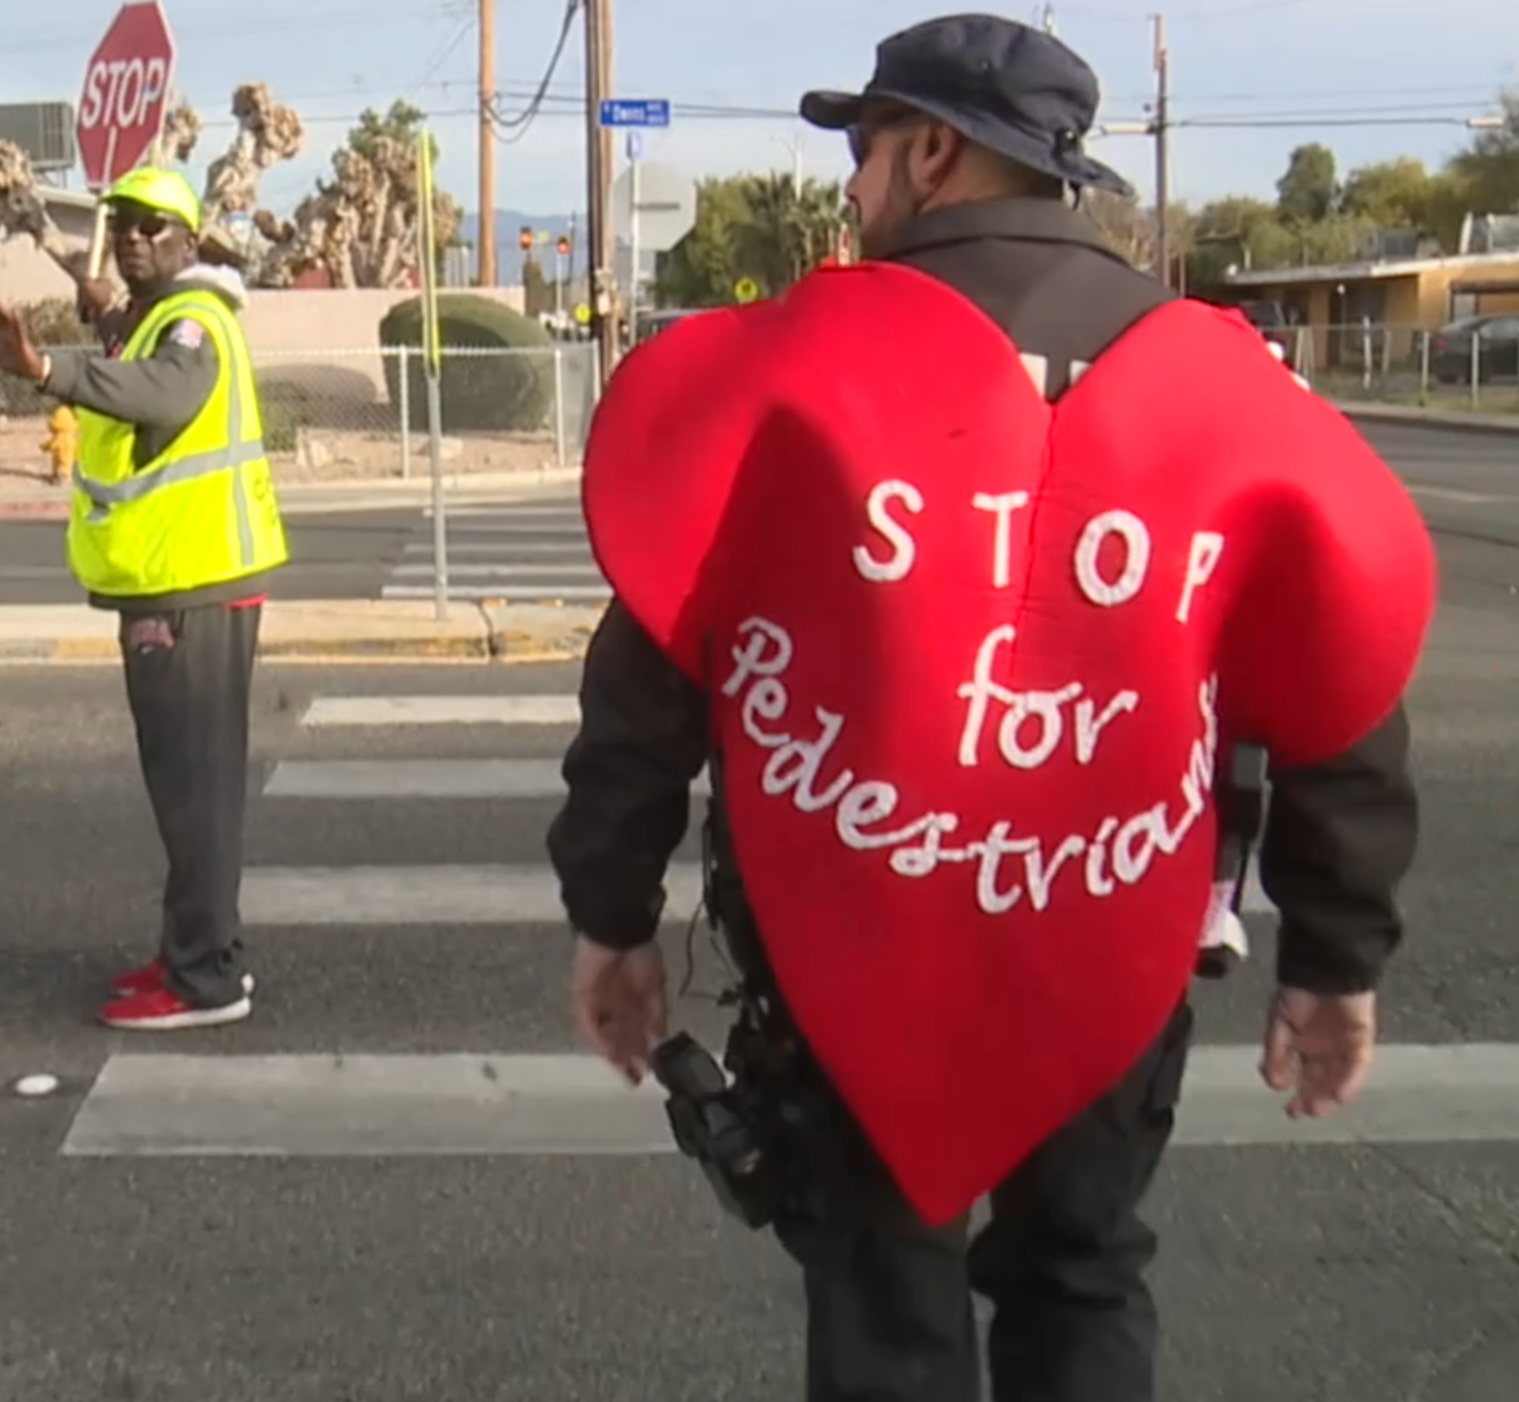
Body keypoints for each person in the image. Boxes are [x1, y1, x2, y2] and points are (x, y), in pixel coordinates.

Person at [549, 15, 1434, 1402]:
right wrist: (1335, 953)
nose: (849, 185)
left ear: (933, 153)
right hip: (1115, 934)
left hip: (849, 936)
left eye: (863, 149)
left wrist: (613, 915)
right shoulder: (1224, 385)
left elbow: (657, 663)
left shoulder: (797, 368)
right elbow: (1338, 680)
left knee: (881, 1290)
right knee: (1082, 1272)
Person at [0, 167, 288, 1032]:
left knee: (196, 792)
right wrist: (99, 309)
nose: (137, 237)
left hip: (191, 586)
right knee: (194, 789)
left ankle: (203, 982)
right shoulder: (157, 317)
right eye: (127, 226)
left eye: (157, 226)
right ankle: (201, 951)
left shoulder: (194, 319)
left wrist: (43, 369)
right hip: (178, 580)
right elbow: (130, 342)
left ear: (190, 242)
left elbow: (165, 390)